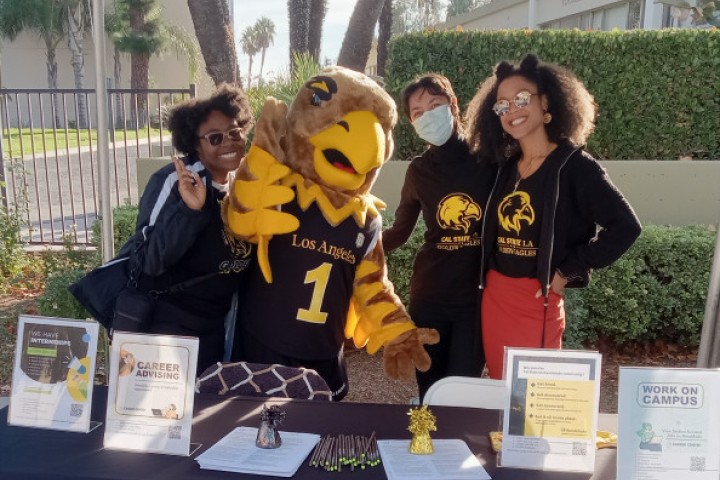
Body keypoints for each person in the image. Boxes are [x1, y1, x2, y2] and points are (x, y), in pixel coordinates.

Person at [465, 54, 641, 379]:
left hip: (537, 302)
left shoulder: (575, 166)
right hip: (494, 298)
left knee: (532, 404)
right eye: (502, 105)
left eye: (520, 99)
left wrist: (568, 271)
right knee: (500, 395)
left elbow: (626, 226)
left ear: (545, 102)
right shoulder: (505, 166)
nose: (512, 110)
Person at [117, 85, 255, 374]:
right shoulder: (175, 181)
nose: (229, 143)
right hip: (167, 326)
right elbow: (149, 261)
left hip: (216, 327)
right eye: (215, 138)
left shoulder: (245, 186)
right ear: (195, 144)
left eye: (235, 132)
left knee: (204, 410)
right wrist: (190, 211)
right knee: (159, 413)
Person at [382, 73, 495, 400]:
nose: (427, 115)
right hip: (429, 296)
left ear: (453, 105)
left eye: (435, 105)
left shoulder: (488, 160)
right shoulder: (418, 170)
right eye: (418, 112)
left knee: (462, 390)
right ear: (412, 123)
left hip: (475, 300)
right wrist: (358, 252)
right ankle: (426, 447)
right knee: (429, 390)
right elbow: (400, 231)